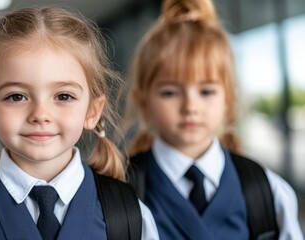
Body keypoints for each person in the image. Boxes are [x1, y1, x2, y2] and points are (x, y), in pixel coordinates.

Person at [0, 6, 159, 240]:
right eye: (16, 96)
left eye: (63, 96)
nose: (40, 114)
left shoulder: (129, 216)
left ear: (92, 111)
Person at [125, 0, 303, 239]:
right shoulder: (119, 193)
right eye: (170, 92)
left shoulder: (268, 192)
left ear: (228, 99)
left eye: (207, 91)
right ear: (143, 102)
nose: (191, 107)